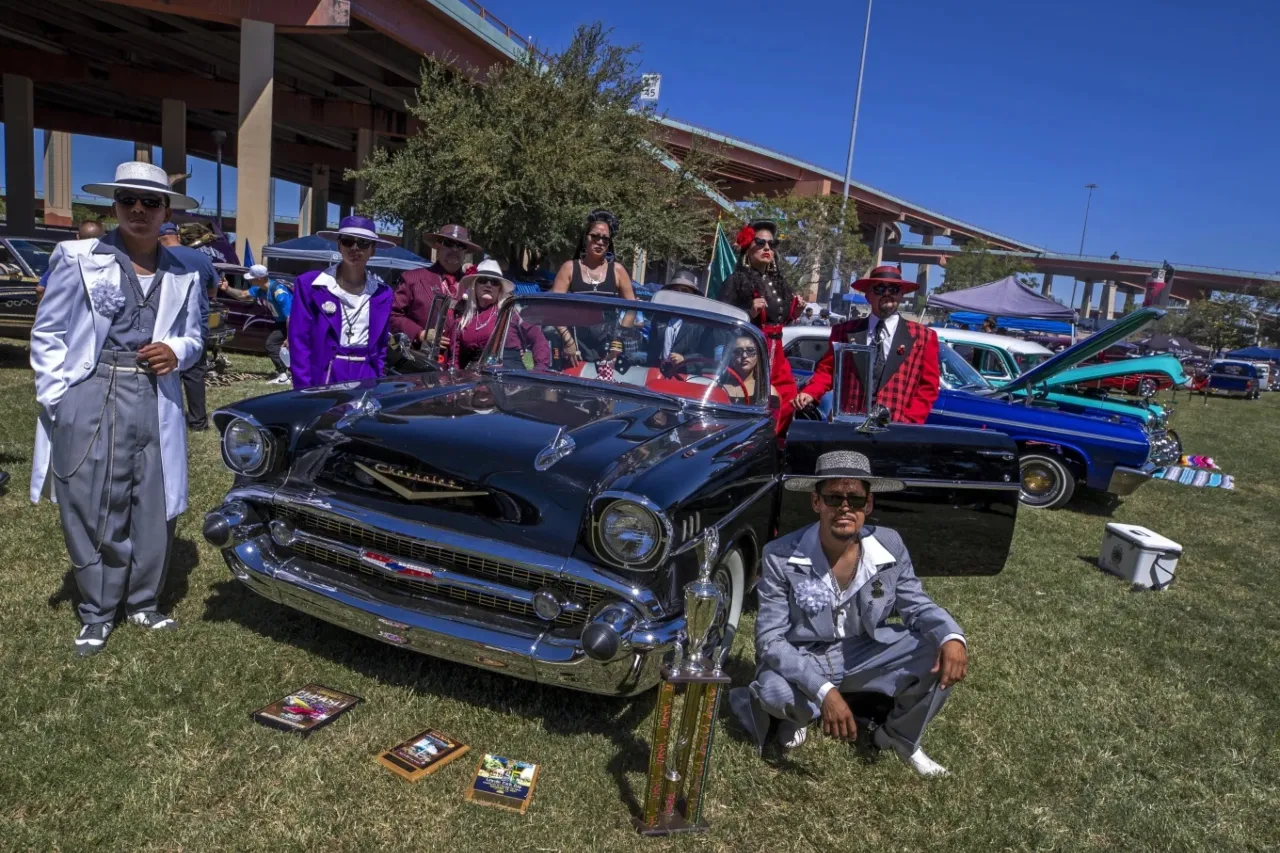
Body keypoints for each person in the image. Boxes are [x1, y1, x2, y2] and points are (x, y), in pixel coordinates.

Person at [29, 161, 206, 655]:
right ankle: (97, 608)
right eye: (128, 199)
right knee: (92, 497)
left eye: (150, 202)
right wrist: (58, 396)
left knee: (154, 497)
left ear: (165, 211)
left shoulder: (183, 274)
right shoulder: (79, 257)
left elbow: (193, 336)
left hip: (155, 394)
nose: (138, 210)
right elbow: (49, 331)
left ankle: (144, 601)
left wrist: (178, 351)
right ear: (114, 206)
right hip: (94, 387)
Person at [729, 451, 967, 775]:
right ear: (816, 503)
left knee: (937, 652)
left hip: (863, 651)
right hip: (805, 655)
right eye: (834, 497)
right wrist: (824, 691)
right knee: (774, 692)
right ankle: (800, 713)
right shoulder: (779, 555)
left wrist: (951, 635)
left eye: (855, 499)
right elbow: (770, 640)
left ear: (868, 505)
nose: (844, 508)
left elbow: (916, 604)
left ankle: (897, 736)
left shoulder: (890, 545)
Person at [794, 265, 940, 424]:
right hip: (848, 425)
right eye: (879, 289)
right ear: (868, 295)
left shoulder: (924, 337)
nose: (887, 294)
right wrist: (811, 392)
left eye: (894, 289)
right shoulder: (844, 331)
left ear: (901, 295)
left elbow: (928, 388)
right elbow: (828, 371)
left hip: (898, 429)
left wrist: (909, 421)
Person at [288, 215, 394, 389]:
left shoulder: (383, 293)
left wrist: (378, 376)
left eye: (363, 243)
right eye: (347, 241)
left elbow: (381, 346)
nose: (354, 248)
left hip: (367, 374)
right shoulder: (310, 285)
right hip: (326, 373)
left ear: (373, 250)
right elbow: (299, 340)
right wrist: (303, 389)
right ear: (339, 245)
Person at [718, 220, 801, 432]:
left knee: (787, 400)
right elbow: (720, 321)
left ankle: (778, 449)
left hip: (777, 353)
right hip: (750, 353)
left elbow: (780, 319)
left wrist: (796, 312)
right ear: (747, 246)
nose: (767, 248)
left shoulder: (778, 282)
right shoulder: (735, 281)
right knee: (757, 403)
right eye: (760, 242)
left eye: (771, 245)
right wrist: (748, 313)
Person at [552, 210, 637, 368]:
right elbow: (554, 308)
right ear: (586, 238)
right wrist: (568, 341)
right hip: (576, 348)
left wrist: (618, 342)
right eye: (595, 236)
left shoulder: (618, 270)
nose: (599, 242)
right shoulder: (569, 268)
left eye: (605, 239)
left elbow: (632, 308)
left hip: (608, 349)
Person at [159, 221, 218, 430]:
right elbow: (212, 292)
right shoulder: (202, 257)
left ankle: (164, 419)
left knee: (161, 372)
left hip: (161, 326)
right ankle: (198, 421)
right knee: (194, 375)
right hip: (196, 325)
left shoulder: (155, 256)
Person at [447, 259, 550, 370]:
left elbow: (538, 340)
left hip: (510, 378)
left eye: (494, 282)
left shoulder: (512, 313)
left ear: (500, 289)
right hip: (475, 379)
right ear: (474, 285)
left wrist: (540, 371)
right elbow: (454, 358)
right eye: (483, 280)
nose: (488, 285)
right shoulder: (464, 318)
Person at [390, 224, 482, 349]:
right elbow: (393, 315)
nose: (454, 250)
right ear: (437, 246)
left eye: (460, 246)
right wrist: (420, 333)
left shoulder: (474, 285)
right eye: (448, 243)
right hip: (421, 361)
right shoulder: (412, 279)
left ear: (465, 252)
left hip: (460, 363)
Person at [219, 264, 293, 384]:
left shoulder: (279, 292)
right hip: (281, 322)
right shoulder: (260, 289)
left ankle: (283, 375)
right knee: (277, 346)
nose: (249, 280)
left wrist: (289, 338)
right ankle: (288, 373)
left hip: (293, 323)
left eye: (251, 278)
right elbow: (242, 295)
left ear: (260, 278)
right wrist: (227, 288)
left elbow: (290, 317)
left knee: (271, 344)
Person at [36, 220, 105, 302]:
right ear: (103, 238)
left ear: (78, 236)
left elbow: (40, 290)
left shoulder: (63, 259)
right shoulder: (109, 262)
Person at [647, 270, 706, 366]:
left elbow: (706, 356)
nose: (679, 294)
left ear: (693, 295)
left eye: (685, 291)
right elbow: (651, 349)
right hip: (658, 372)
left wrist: (685, 359)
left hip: (685, 376)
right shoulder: (660, 318)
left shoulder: (700, 323)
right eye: (675, 290)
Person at [720, 333, 776, 407]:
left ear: (758, 355)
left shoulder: (767, 391)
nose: (744, 356)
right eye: (738, 351)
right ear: (731, 356)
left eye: (750, 350)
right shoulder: (717, 385)